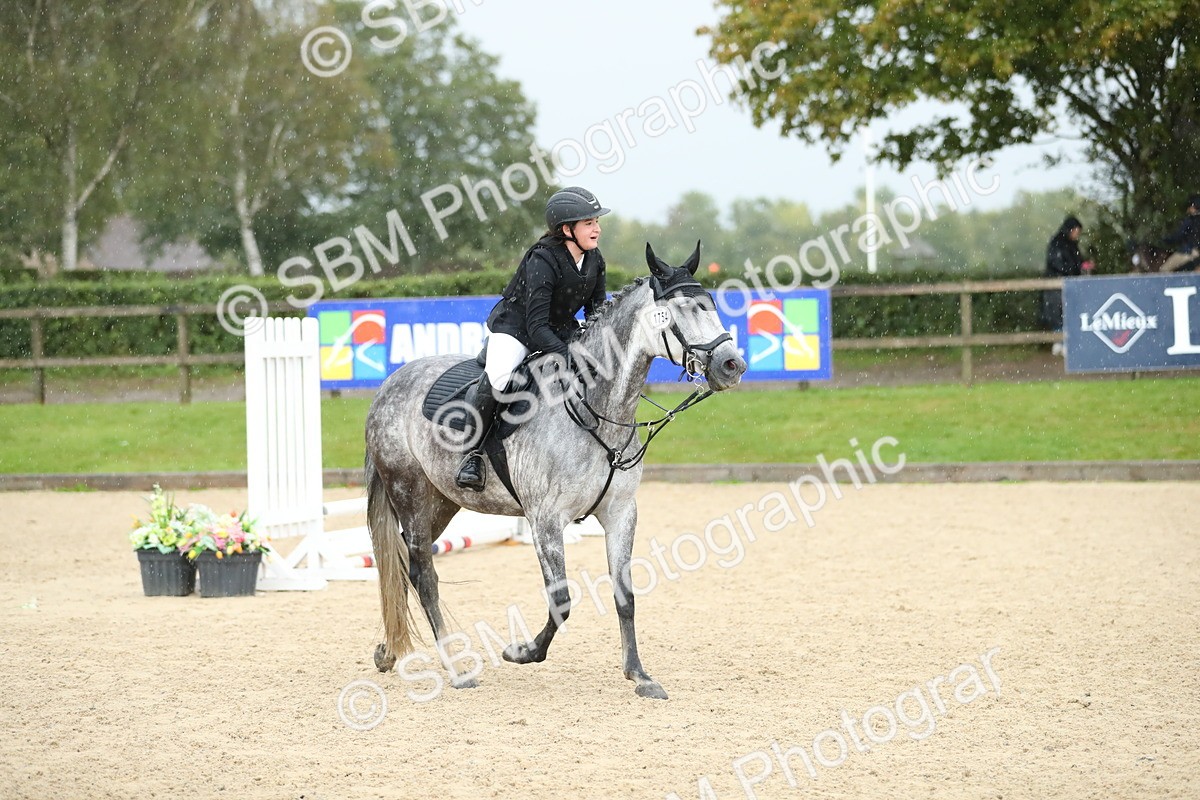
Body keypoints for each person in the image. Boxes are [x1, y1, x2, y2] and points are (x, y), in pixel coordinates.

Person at [455, 186, 611, 491]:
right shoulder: (543, 259)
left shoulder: (594, 259)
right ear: (567, 229)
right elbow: (536, 326)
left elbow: (597, 312)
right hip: (516, 328)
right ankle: (471, 454)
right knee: (499, 378)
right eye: (589, 223)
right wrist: (568, 355)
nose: (597, 228)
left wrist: (596, 346)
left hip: (558, 326)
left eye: (596, 221)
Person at [1042, 216, 1084, 356]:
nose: (1077, 234)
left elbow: (1075, 262)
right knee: (1058, 312)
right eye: (1076, 231)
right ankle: (1060, 342)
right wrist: (1073, 270)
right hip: (1057, 284)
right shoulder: (1058, 244)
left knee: (1065, 312)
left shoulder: (1070, 244)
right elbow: (1059, 263)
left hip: (1066, 283)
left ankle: (1063, 342)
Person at [1159, 194, 1200, 272]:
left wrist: (1165, 240)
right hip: (1197, 253)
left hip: (1188, 253)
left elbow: (1178, 236)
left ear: (1193, 207)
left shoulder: (1190, 220)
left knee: (1164, 270)